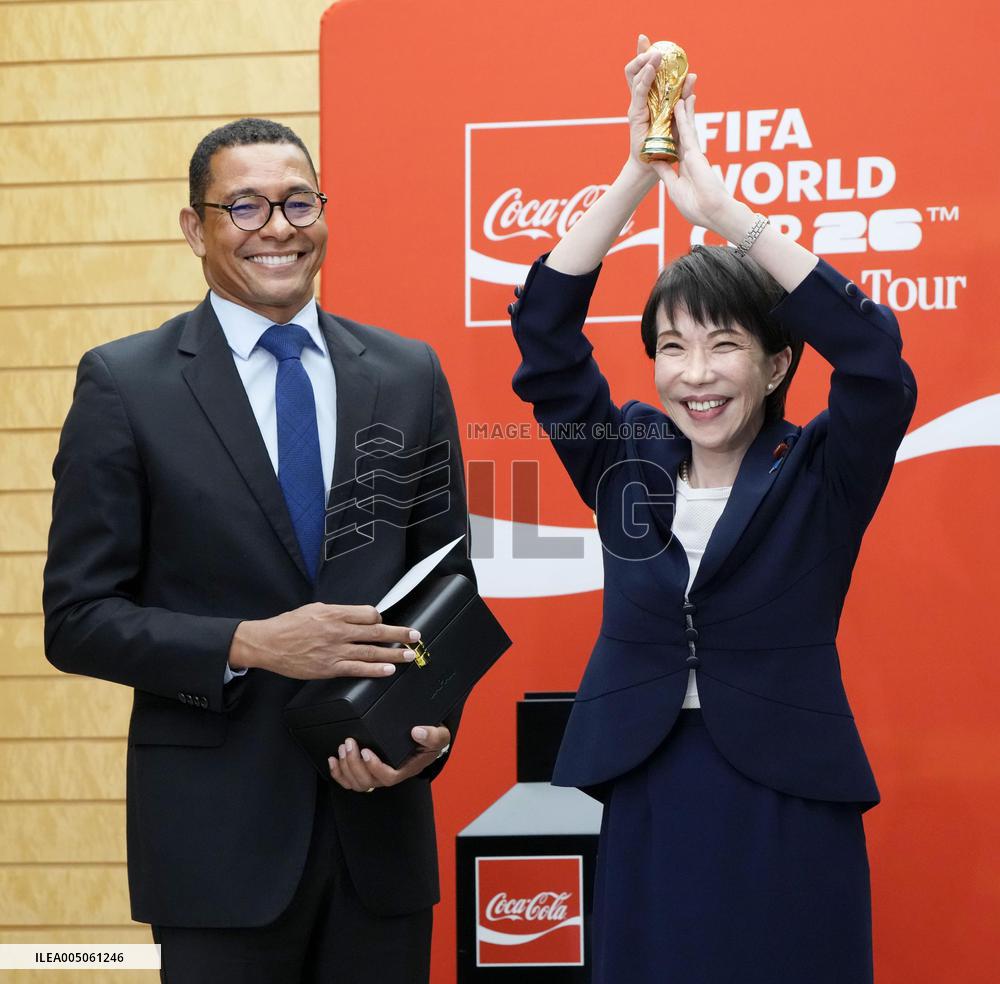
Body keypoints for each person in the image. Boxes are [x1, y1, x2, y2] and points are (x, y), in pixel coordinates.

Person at [509, 38, 917, 983]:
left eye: (724, 345)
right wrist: (633, 177)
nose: (695, 375)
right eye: (671, 347)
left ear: (775, 365)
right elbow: (544, 335)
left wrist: (721, 209)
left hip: (787, 784)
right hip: (650, 776)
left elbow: (873, 360)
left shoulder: (821, 472)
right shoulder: (625, 463)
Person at [42, 117, 473, 983]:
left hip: (378, 837)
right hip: (215, 851)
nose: (277, 226)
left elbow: (448, 587)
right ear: (194, 228)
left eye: (297, 201)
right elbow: (78, 619)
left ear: (324, 213)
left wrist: (431, 732)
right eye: (243, 206)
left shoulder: (408, 372)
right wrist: (250, 643)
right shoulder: (126, 385)